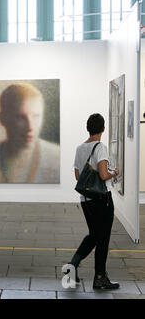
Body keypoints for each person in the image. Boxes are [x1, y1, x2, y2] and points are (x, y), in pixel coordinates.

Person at [66, 113, 120, 290]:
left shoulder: (80, 147)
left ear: (88, 128)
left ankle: (73, 265)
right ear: (103, 129)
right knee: (102, 238)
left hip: (86, 199)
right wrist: (115, 173)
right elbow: (104, 175)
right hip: (101, 199)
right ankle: (99, 278)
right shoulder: (100, 147)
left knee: (94, 235)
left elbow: (77, 175)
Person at [0, 83, 59, 184]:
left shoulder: (57, 159)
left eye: (36, 116)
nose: (30, 127)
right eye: (20, 117)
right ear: (2, 118)